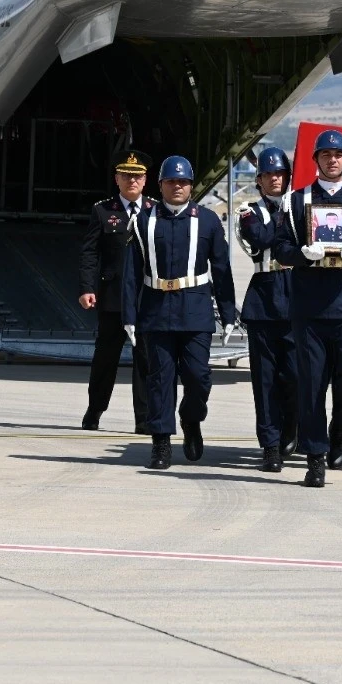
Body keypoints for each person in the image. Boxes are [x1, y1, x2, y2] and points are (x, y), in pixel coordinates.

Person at [271, 129, 342, 487]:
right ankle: (316, 457)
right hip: (310, 304)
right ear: (315, 160)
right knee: (312, 385)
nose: (332, 160)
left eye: (338, 155)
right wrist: (301, 255)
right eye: (325, 155)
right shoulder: (296, 201)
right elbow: (279, 248)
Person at [122, 155, 237, 470]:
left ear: (191, 186)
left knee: (199, 377)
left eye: (183, 181)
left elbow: (222, 270)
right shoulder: (142, 221)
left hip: (195, 309)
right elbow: (132, 273)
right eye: (171, 181)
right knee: (160, 380)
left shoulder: (209, 221)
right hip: (156, 310)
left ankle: (191, 418)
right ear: (160, 185)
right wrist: (129, 316)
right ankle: (160, 443)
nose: (177, 186)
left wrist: (228, 314)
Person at [78, 152, 153, 432]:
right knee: (104, 360)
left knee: (145, 360)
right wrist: (87, 287)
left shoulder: (154, 211)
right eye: (126, 175)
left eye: (137, 176)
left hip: (145, 299)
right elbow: (89, 253)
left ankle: (143, 418)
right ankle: (94, 410)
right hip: (112, 298)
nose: (131, 180)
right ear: (117, 179)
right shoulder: (103, 211)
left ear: (145, 181)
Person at [236, 145, 296, 472]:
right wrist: (288, 217)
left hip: (297, 299)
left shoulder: (301, 206)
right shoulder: (249, 210)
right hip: (264, 299)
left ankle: (292, 426)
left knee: (297, 376)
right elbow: (259, 238)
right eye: (268, 175)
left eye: (280, 174)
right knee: (265, 380)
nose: (275, 179)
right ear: (259, 180)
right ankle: (270, 445)